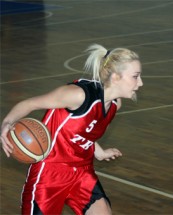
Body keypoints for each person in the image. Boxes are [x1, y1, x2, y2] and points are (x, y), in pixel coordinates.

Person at [1, 44, 143, 214]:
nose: (140, 83)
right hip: (50, 172)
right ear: (115, 78)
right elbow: (30, 104)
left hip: (82, 171)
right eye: (135, 76)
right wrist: (6, 124)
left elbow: (85, 132)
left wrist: (98, 151)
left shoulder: (114, 105)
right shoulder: (77, 95)